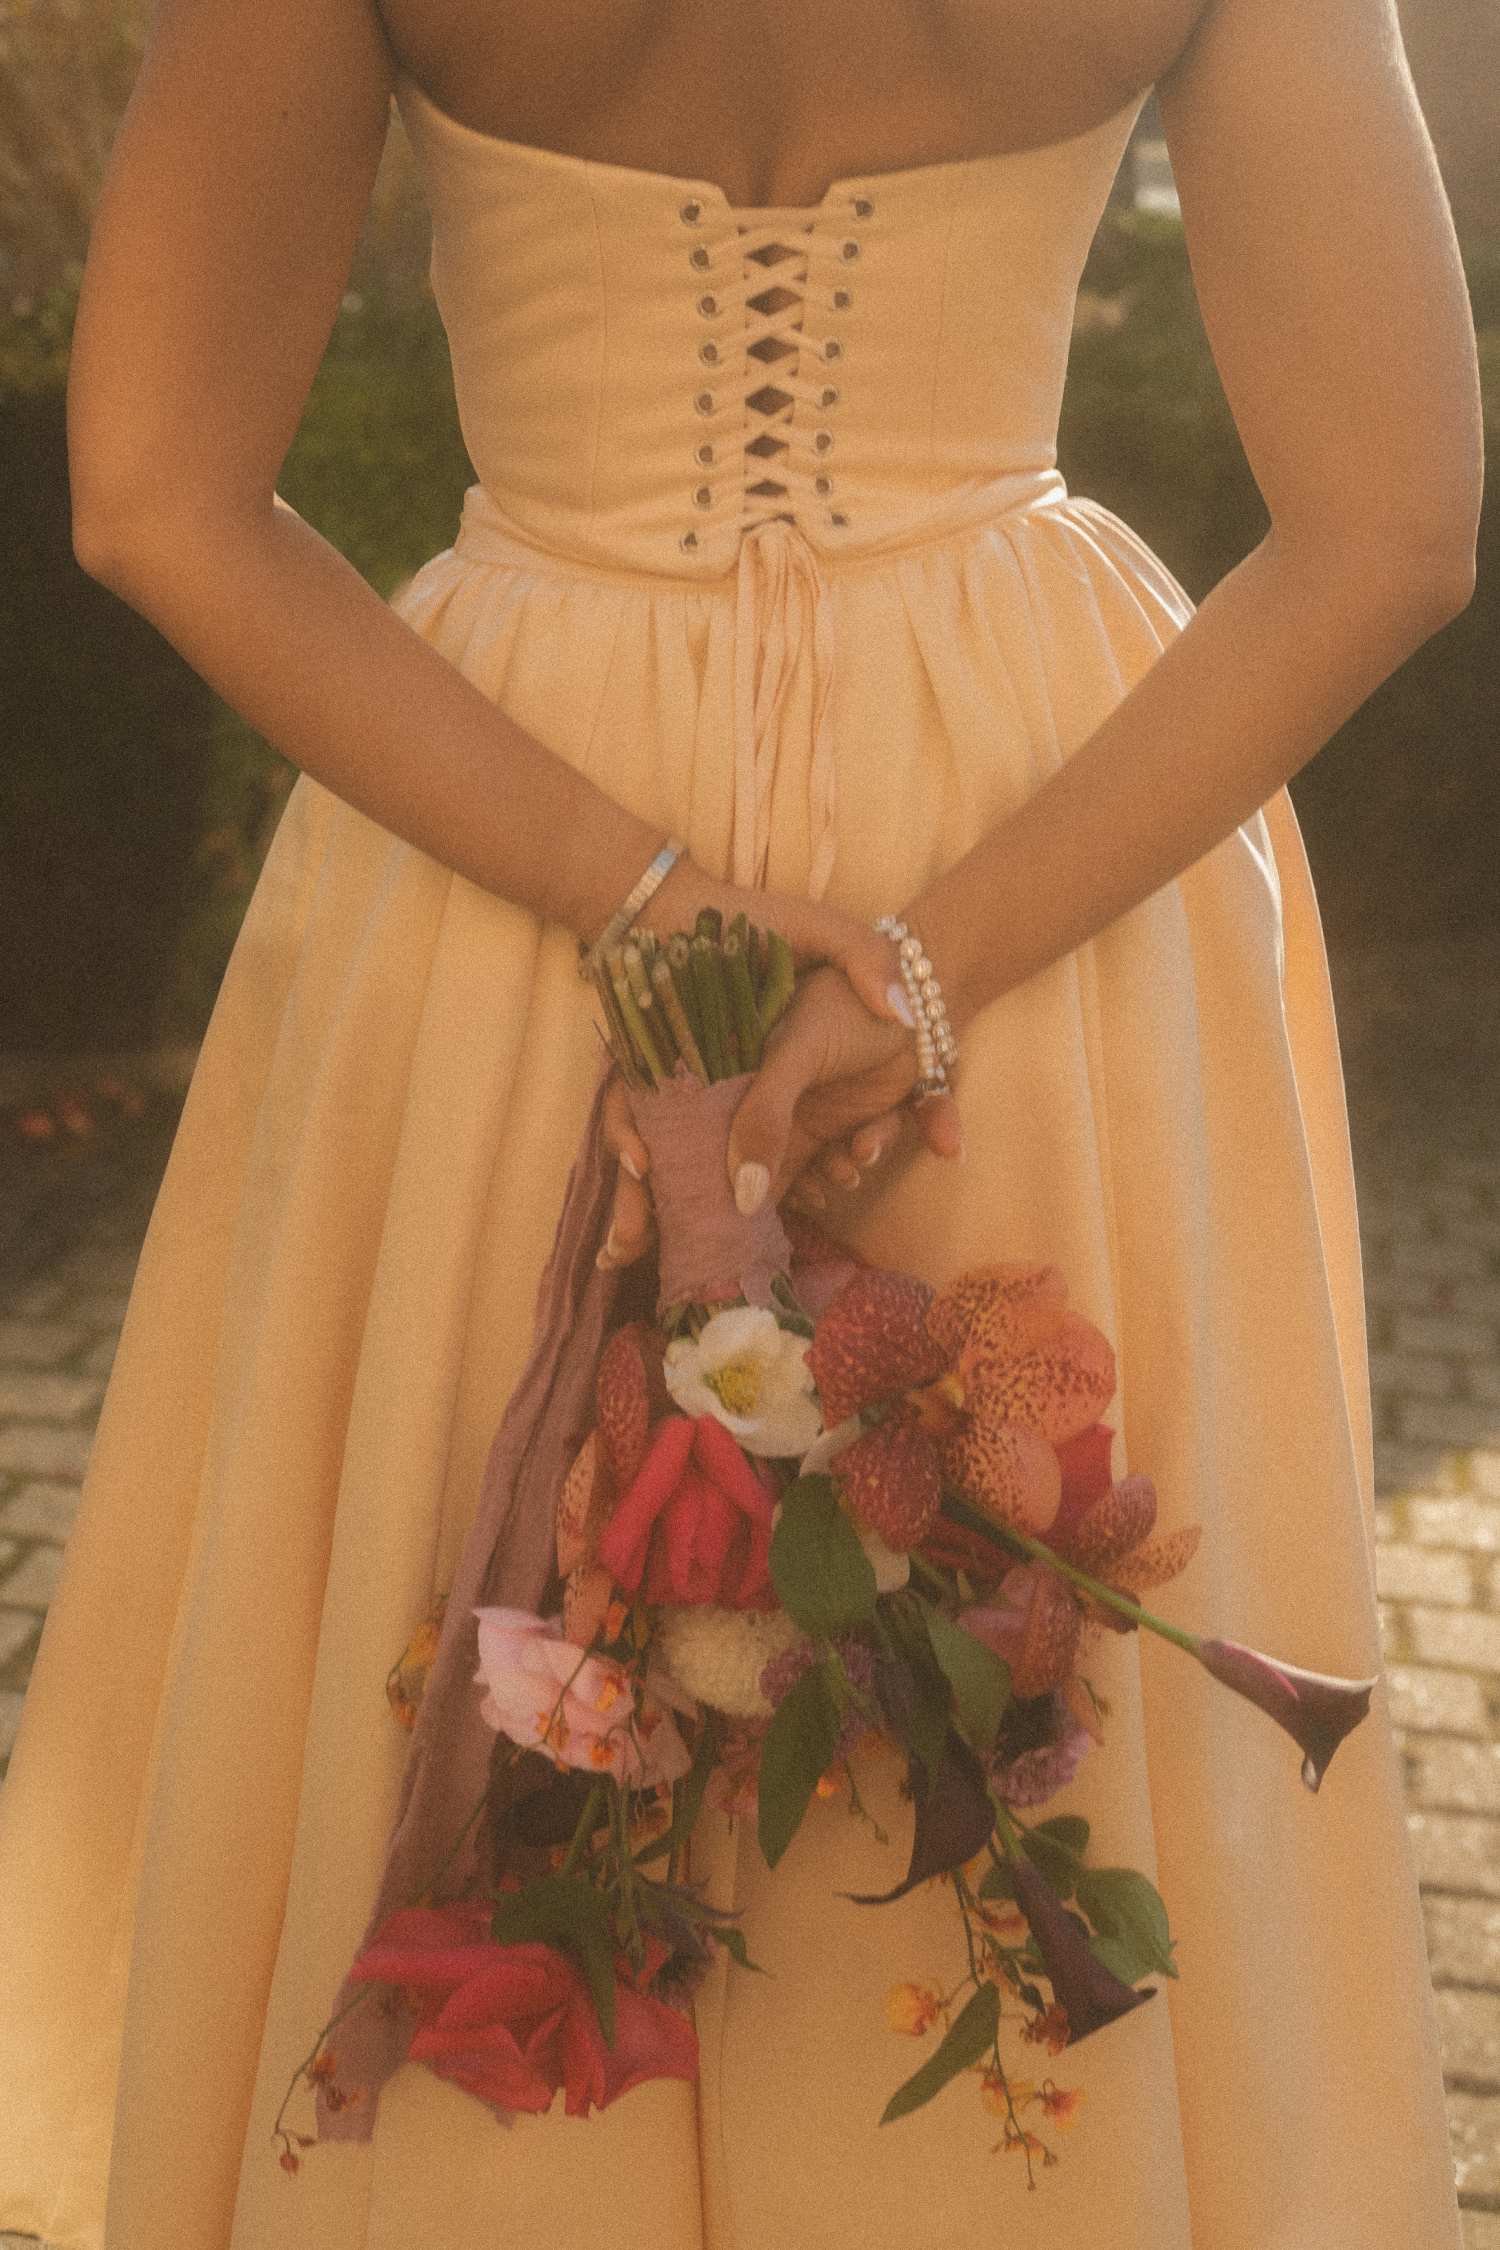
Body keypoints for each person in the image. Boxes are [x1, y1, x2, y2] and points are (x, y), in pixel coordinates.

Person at [0, 0, 1482, 2242]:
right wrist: (924, 961)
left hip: (508, 809)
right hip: (1030, 829)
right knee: (1026, 1634)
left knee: (478, 1605)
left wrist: (639, 895)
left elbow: (152, 496)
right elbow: (1393, 526)